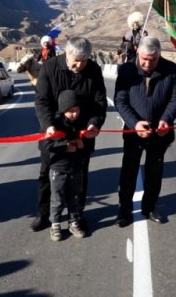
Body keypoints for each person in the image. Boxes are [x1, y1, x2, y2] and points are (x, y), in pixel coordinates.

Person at [31, 37, 107, 232]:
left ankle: (77, 216)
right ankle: (43, 214)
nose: (80, 65)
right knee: (46, 174)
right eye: (77, 60)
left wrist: (94, 124)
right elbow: (42, 101)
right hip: (54, 133)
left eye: (85, 60)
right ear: (67, 53)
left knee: (80, 176)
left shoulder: (93, 70)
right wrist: (48, 125)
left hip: (82, 134)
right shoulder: (49, 68)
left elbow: (99, 104)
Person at [114, 36, 176, 227]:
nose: (147, 63)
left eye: (152, 60)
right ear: (138, 53)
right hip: (133, 132)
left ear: (159, 55)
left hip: (160, 132)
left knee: (155, 171)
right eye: (143, 58)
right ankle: (124, 210)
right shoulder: (127, 69)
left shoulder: (170, 69)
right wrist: (135, 123)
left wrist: (165, 120)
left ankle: (150, 207)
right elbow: (120, 100)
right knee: (129, 171)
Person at [40, 90, 88, 242]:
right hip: (58, 169)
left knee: (74, 197)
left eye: (76, 110)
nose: (74, 114)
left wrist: (81, 145)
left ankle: (74, 222)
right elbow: (46, 144)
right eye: (70, 111)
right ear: (63, 110)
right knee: (57, 198)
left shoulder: (80, 123)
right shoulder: (55, 124)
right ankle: (55, 225)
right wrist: (65, 146)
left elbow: (85, 146)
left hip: (75, 167)